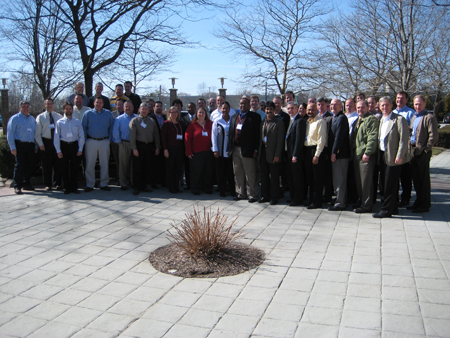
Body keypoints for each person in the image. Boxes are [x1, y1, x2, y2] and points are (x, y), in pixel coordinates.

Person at [373, 97, 410, 218]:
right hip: (383, 154)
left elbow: (404, 140)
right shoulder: (382, 119)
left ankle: (386, 210)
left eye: (386, 105)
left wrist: (400, 155)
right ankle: (393, 207)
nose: (384, 107)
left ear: (391, 105)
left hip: (394, 156)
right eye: (382, 105)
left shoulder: (399, 119)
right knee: (384, 182)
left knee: (390, 184)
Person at [407, 95, 439, 213]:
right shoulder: (414, 116)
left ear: (425, 104)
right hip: (413, 151)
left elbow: (434, 135)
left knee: (423, 180)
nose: (417, 106)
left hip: (422, 152)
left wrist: (426, 149)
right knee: (416, 179)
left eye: (420, 104)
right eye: (415, 104)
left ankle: (425, 204)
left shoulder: (429, 117)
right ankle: (418, 201)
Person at [227, 98, 261, 203]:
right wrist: (229, 148)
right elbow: (231, 134)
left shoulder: (255, 117)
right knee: (238, 172)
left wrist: (256, 149)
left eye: (245, 104)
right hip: (235, 149)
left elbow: (257, 134)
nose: (243, 106)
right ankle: (240, 193)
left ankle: (252, 195)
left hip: (248, 150)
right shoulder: (234, 117)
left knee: (250, 173)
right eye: (241, 103)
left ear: (249, 105)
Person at [82, 97, 114, 192]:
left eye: (100, 102)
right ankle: (90, 184)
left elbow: (112, 126)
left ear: (103, 104)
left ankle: (104, 184)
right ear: (94, 103)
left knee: (104, 164)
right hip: (91, 141)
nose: (98, 104)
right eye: (97, 102)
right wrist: (86, 140)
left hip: (104, 141)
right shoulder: (88, 113)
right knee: (90, 164)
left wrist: (109, 139)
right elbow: (83, 127)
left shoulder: (108, 113)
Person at [352, 100, 379, 213]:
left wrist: (367, 152)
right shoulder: (358, 120)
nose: (360, 109)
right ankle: (362, 201)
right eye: (358, 107)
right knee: (359, 181)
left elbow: (372, 137)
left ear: (368, 107)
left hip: (365, 156)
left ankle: (367, 205)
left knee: (366, 182)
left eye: (362, 107)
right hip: (357, 155)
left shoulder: (371, 119)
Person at [54, 102, 85, 194]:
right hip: (64, 146)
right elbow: (56, 137)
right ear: (64, 110)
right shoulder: (59, 122)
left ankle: (74, 187)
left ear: (72, 109)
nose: (68, 110)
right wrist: (58, 151)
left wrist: (80, 149)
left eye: (70, 108)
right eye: (66, 108)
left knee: (75, 168)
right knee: (64, 168)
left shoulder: (77, 122)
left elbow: (81, 136)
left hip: (74, 146)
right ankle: (67, 187)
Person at [7, 101, 37, 194]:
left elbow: (35, 133)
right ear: (20, 108)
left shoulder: (32, 119)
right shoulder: (15, 119)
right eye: (23, 107)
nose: (26, 109)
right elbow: (10, 133)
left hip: (30, 145)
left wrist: (36, 145)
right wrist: (12, 147)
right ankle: (17, 186)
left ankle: (26, 183)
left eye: (27, 107)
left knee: (29, 166)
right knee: (20, 165)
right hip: (20, 145)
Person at [129, 103, 160, 195]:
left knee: (147, 167)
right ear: (139, 110)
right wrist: (134, 148)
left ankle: (144, 186)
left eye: (146, 109)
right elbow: (132, 136)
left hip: (149, 146)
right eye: (142, 109)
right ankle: (136, 187)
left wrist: (157, 147)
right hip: (139, 146)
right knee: (137, 167)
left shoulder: (152, 121)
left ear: (148, 110)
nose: (144, 111)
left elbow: (156, 135)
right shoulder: (134, 121)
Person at [259, 101, 285, 205]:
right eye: (267, 109)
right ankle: (265, 196)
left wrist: (277, 155)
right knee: (264, 176)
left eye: (270, 109)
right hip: (263, 152)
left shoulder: (279, 123)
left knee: (274, 177)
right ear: (264, 110)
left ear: (274, 110)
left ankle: (274, 197)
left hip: (274, 153)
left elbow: (280, 141)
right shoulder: (262, 122)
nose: (268, 111)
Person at [35, 98, 63, 191]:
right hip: (46, 142)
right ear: (45, 105)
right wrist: (40, 144)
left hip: (56, 142)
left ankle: (57, 183)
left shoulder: (58, 116)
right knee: (46, 165)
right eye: (47, 104)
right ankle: (48, 184)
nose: (49, 105)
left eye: (51, 104)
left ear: (53, 105)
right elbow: (37, 133)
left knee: (58, 164)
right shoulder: (40, 117)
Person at [184, 107, 214, 195]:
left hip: (209, 152)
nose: (201, 114)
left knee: (208, 171)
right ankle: (196, 188)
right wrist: (188, 152)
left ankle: (208, 188)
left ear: (206, 114)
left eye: (203, 112)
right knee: (196, 172)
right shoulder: (192, 125)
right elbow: (187, 138)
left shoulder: (211, 124)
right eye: (199, 112)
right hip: (196, 153)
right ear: (196, 114)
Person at [328, 99, 350, 211]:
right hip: (336, 154)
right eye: (331, 105)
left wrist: (334, 152)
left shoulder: (342, 118)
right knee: (336, 178)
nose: (333, 107)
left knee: (340, 178)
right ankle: (338, 198)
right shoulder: (334, 117)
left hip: (340, 155)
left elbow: (339, 137)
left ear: (341, 106)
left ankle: (341, 202)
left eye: (335, 105)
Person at [303, 103, 327, 209]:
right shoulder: (307, 122)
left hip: (316, 151)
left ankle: (317, 201)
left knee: (317, 178)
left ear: (316, 110)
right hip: (307, 150)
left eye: (312, 110)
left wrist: (317, 155)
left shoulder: (320, 121)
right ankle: (311, 199)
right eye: (308, 110)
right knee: (310, 178)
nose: (310, 112)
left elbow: (322, 140)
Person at [394, 91, 415, 207]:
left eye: (402, 98)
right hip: (393, 148)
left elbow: (414, 131)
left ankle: (405, 198)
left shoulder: (411, 113)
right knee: (394, 175)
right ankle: (394, 197)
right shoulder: (392, 112)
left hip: (405, 149)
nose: (399, 100)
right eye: (398, 98)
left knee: (405, 176)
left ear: (407, 100)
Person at [285, 101, 307, 206]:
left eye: (292, 108)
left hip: (295, 155)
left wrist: (295, 154)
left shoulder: (300, 121)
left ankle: (298, 199)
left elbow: (299, 140)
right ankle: (293, 197)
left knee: (297, 178)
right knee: (291, 177)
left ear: (297, 108)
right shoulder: (291, 120)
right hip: (289, 154)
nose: (290, 110)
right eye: (288, 108)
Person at [212, 101, 235, 197]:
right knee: (221, 172)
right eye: (223, 108)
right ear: (221, 109)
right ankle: (222, 190)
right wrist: (215, 150)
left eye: (226, 108)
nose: (225, 110)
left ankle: (232, 190)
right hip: (220, 151)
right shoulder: (217, 121)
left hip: (230, 152)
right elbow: (213, 136)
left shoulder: (233, 120)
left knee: (231, 172)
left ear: (229, 110)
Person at [161, 106, 186, 194]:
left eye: (175, 112)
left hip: (180, 149)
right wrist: (165, 149)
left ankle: (176, 186)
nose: (173, 114)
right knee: (170, 168)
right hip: (170, 149)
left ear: (178, 113)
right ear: (169, 114)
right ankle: (171, 187)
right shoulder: (166, 123)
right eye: (171, 112)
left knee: (178, 168)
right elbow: (163, 138)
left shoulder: (181, 124)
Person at [113, 101, 137, 190]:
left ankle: (133, 181)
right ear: (123, 108)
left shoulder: (137, 118)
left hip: (134, 144)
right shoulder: (119, 119)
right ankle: (123, 183)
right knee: (123, 165)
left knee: (133, 164)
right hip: (123, 143)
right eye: (126, 107)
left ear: (133, 108)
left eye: (130, 107)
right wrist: (119, 144)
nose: (128, 108)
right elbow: (115, 132)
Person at [150, 100, 167, 188]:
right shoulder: (150, 117)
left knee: (163, 164)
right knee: (154, 164)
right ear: (154, 107)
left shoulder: (165, 117)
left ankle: (163, 181)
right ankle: (154, 182)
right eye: (157, 106)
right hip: (154, 144)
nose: (159, 107)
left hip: (164, 144)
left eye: (160, 106)